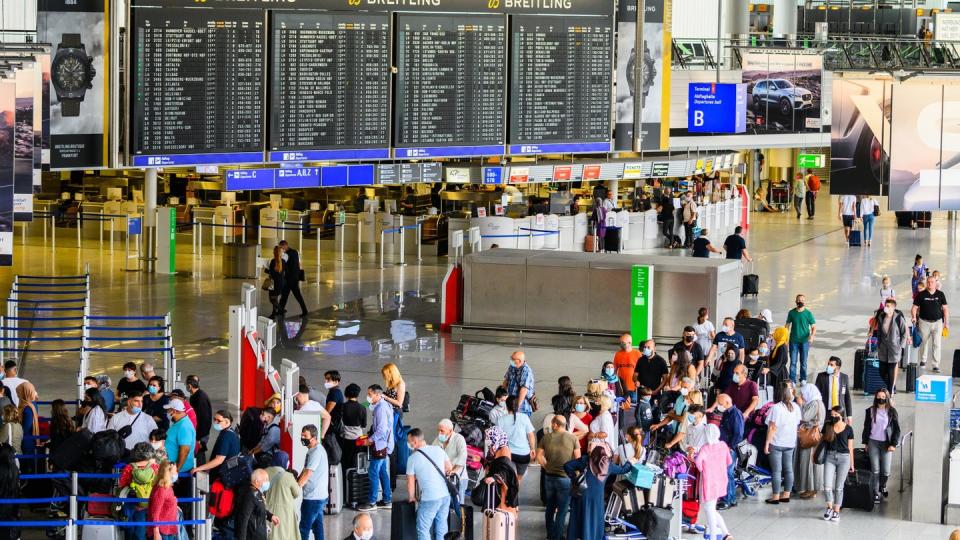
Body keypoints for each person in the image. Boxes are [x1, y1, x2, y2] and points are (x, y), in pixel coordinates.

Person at [564, 443, 632, 540]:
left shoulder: (585, 460)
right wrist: (630, 462)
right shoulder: (608, 465)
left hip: (581, 494)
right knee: (593, 519)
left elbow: (567, 466)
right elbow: (624, 470)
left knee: (578, 517)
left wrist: (575, 476)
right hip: (597, 498)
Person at [538, 415, 580, 540]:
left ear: (554, 424)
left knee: (550, 507)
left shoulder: (546, 438)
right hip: (565, 479)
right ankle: (557, 536)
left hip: (549, 477)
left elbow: (539, 457)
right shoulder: (573, 438)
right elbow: (577, 460)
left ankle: (550, 534)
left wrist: (547, 467)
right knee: (562, 509)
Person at [406, 428, 453, 540]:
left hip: (430, 498)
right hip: (445, 495)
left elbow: (410, 482)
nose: (408, 444)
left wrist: (412, 497)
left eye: (409, 441)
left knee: (423, 529)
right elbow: (449, 468)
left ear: (415, 442)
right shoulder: (438, 449)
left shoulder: (412, 458)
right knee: (442, 527)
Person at [764, 381, 802, 504]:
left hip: (776, 443)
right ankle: (786, 495)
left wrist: (767, 443)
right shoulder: (795, 407)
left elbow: (772, 428)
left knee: (776, 471)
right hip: (790, 443)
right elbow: (797, 424)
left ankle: (775, 497)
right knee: (789, 470)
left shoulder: (776, 408)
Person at [861, 388, 900, 504]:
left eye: (883, 397)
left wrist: (893, 444)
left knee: (886, 471)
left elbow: (897, 430)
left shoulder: (892, 411)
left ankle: (882, 485)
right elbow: (866, 427)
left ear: (887, 398)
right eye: (879, 396)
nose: (881, 399)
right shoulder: (870, 411)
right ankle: (876, 492)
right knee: (875, 469)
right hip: (873, 442)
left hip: (886, 444)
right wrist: (866, 442)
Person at [359, 385, 394, 511]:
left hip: (380, 445)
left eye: (370, 394)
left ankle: (372, 501)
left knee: (373, 472)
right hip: (385, 445)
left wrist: (369, 440)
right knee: (382, 472)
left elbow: (381, 430)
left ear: (378, 395)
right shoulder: (384, 405)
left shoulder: (381, 408)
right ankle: (387, 500)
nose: (368, 397)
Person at [694, 425, 732, 539]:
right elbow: (729, 461)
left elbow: (698, 464)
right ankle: (726, 534)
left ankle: (713, 536)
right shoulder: (723, 445)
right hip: (720, 480)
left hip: (709, 482)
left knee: (709, 510)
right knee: (711, 508)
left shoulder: (705, 448)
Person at [821, 406, 854, 522]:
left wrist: (852, 463)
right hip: (830, 457)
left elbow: (850, 447)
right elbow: (822, 441)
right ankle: (829, 508)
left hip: (844, 459)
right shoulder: (828, 426)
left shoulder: (849, 429)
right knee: (827, 485)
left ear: (842, 415)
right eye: (832, 415)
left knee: (839, 487)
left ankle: (836, 510)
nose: (834, 417)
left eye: (836, 415)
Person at [118, 443, 157, 540]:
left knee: (132, 528)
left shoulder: (129, 467)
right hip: (150, 501)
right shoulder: (154, 467)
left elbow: (122, 483)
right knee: (147, 528)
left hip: (132, 500)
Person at [711, 394, 743, 510]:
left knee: (727, 474)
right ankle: (731, 498)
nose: (718, 406)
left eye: (720, 403)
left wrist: (730, 446)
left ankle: (727, 500)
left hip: (729, 449)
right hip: (724, 447)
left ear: (727, 403)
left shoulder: (735, 414)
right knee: (726, 473)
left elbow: (738, 433)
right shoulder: (727, 413)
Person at [477, 427, 519, 513]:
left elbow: (505, 470)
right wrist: (480, 460)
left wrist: (495, 478)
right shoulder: (496, 449)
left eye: (489, 438)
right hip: (496, 489)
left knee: (499, 520)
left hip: (502, 494)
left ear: (496, 438)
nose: (487, 440)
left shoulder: (504, 451)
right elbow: (494, 465)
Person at [794, 382, 825, 500]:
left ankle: (811, 488)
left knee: (809, 464)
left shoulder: (814, 404)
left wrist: (800, 405)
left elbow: (804, 417)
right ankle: (809, 488)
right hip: (812, 436)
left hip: (810, 437)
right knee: (809, 463)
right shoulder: (816, 402)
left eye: (803, 394)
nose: (802, 396)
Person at [913, 275, 949, 372]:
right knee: (924, 342)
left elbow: (945, 308)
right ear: (926, 283)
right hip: (924, 322)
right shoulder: (921, 295)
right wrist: (913, 317)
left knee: (937, 344)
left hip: (937, 323)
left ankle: (935, 364)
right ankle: (923, 361)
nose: (930, 284)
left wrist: (946, 323)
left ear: (935, 283)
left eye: (932, 282)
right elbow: (914, 307)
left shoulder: (941, 294)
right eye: (928, 282)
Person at [496, 396, 537, 481]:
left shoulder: (501, 420)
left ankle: (508, 492)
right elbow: (531, 435)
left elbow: (498, 438)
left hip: (508, 454)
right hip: (524, 455)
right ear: (518, 406)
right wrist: (532, 449)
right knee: (518, 479)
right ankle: (515, 492)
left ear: (506, 406)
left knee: (508, 478)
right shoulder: (524, 417)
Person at [191, 411, 241, 477]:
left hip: (222, 474)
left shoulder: (226, 436)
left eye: (218, 421)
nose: (215, 422)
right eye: (214, 419)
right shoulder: (231, 432)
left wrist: (200, 468)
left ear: (226, 422)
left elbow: (219, 460)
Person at [874, 298, 909, 392]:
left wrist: (901, 346)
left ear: (893, 307)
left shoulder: (898, 318)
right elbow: (879, 332)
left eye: (889, 306)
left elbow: (904, 333)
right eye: (886, 305)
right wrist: (878, 345)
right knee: (881, 371)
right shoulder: (881, 316)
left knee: (890, 372)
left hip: (894, 349)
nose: (886, 307)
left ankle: (890, 391)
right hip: (883, 349)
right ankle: (891, 386)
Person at [236, 469, 280, 540]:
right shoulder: (250, 495)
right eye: (265, 480)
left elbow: (258, 509)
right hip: (252, 536)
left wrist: (270, 516)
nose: (268, 482)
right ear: (256, 482)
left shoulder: (257, 493)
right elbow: (243, 519)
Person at [263, 465, 301, 540]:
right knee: (284, 534)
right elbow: (297, 493)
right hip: (285, 512)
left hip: (267, 510)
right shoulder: (288, 476)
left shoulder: (264, 472)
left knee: (269, 534)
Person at [433, 419, 467, 503]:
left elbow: (462, 456)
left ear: (450, 431)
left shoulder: (459, 439)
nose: (439, 433)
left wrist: (453, 471)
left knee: (458, 504)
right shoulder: (438, 440)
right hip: (443, 477)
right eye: (438, 430)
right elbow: (432, 454)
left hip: (459, 477)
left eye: (442, 431)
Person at [785, 294, 816, 383]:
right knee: (793, 362)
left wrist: (812, 336)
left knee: (803, 362)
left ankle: (803, 379)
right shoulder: (791, 313)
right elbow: (787, 326)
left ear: (805, 302)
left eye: (802, 300)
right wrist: (785, 338)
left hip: (805, 341)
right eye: (799, 300)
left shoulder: (808, 314)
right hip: (793, 341)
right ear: (796, 301)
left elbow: (814, 327)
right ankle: (792, 380)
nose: (800, 301)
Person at [338, 383, 367, 476]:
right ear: (358, 395)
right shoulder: (362, 408)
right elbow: (364, 425)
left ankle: (344, 482)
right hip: (359, 438)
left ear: (346, 394)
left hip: (345, 437)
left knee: (345, 461)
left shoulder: (342, 406)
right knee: (358, 461)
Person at [815, 356, 854, 424]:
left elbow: (847, 397)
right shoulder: (821, 376)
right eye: (828, 364)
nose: (829, 366)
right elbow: (816, 395)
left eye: (831, 365)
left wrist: (849, 415)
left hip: (840, 412)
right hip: (826, 411)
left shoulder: (844, 377)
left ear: (838, 367)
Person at [147, 462, 178, 540]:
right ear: (169, 473)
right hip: (162, 530)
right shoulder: (161, 490)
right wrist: (156, 533)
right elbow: (155, 512)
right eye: (175, 471)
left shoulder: (168, 487)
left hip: (168, 528)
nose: (177, 473)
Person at [163, 400, 196, 472]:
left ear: (174, 411)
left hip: (180, 471)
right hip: (171, 466)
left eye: (168, 410)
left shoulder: (184, 426)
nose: (167, 413)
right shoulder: (178, 422)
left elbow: (184, 450)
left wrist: (176, 470)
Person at [278, 240, 308, 318]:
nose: (281, 249)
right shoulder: (295, 252)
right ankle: (280, 310)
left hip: (289, 278)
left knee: (291, 295)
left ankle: (304, 311)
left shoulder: (286, 254)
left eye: (281, 247)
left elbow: (283, 265)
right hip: (295, 277)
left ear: (285, 245)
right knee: (286, 295)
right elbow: (298, 264)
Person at [186, 375, 213, 463]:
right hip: (199, 433)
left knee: (199, 454)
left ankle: (201, 474)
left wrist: (198, 437)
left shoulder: (200, 398)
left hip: (201, 434)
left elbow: (203, 419)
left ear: (190, 386)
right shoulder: (197, 395)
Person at [501, 351, 535, 416]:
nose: (511, 360)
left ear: (519, 361)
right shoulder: (512, 366)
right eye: (511, 358)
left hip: (522, 408)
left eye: (513, 359)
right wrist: (502, 395)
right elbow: (506, 380)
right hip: (511, 404)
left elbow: (524, 390)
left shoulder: (526, 371)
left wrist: (517, 407)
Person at [613, 334, 640, 403]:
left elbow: (642, 370)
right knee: (622, 406)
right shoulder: (618, 354)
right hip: (621, 388)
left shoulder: (637, 354)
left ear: (629, 343)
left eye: (623, 342)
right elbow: (614, 370)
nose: (621, 344)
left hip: (634, 387)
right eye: (621, 342)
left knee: (634, 407)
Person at [266, 245, 287, 319]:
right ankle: (274, 313)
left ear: (274, 252)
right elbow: (283, 272)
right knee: (275, 298)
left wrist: (266, 270)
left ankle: (281, 310)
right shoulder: (283, 261)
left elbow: (272, 273)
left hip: (273, 283)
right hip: (280, 283)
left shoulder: (273, 261)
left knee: (272, 299)